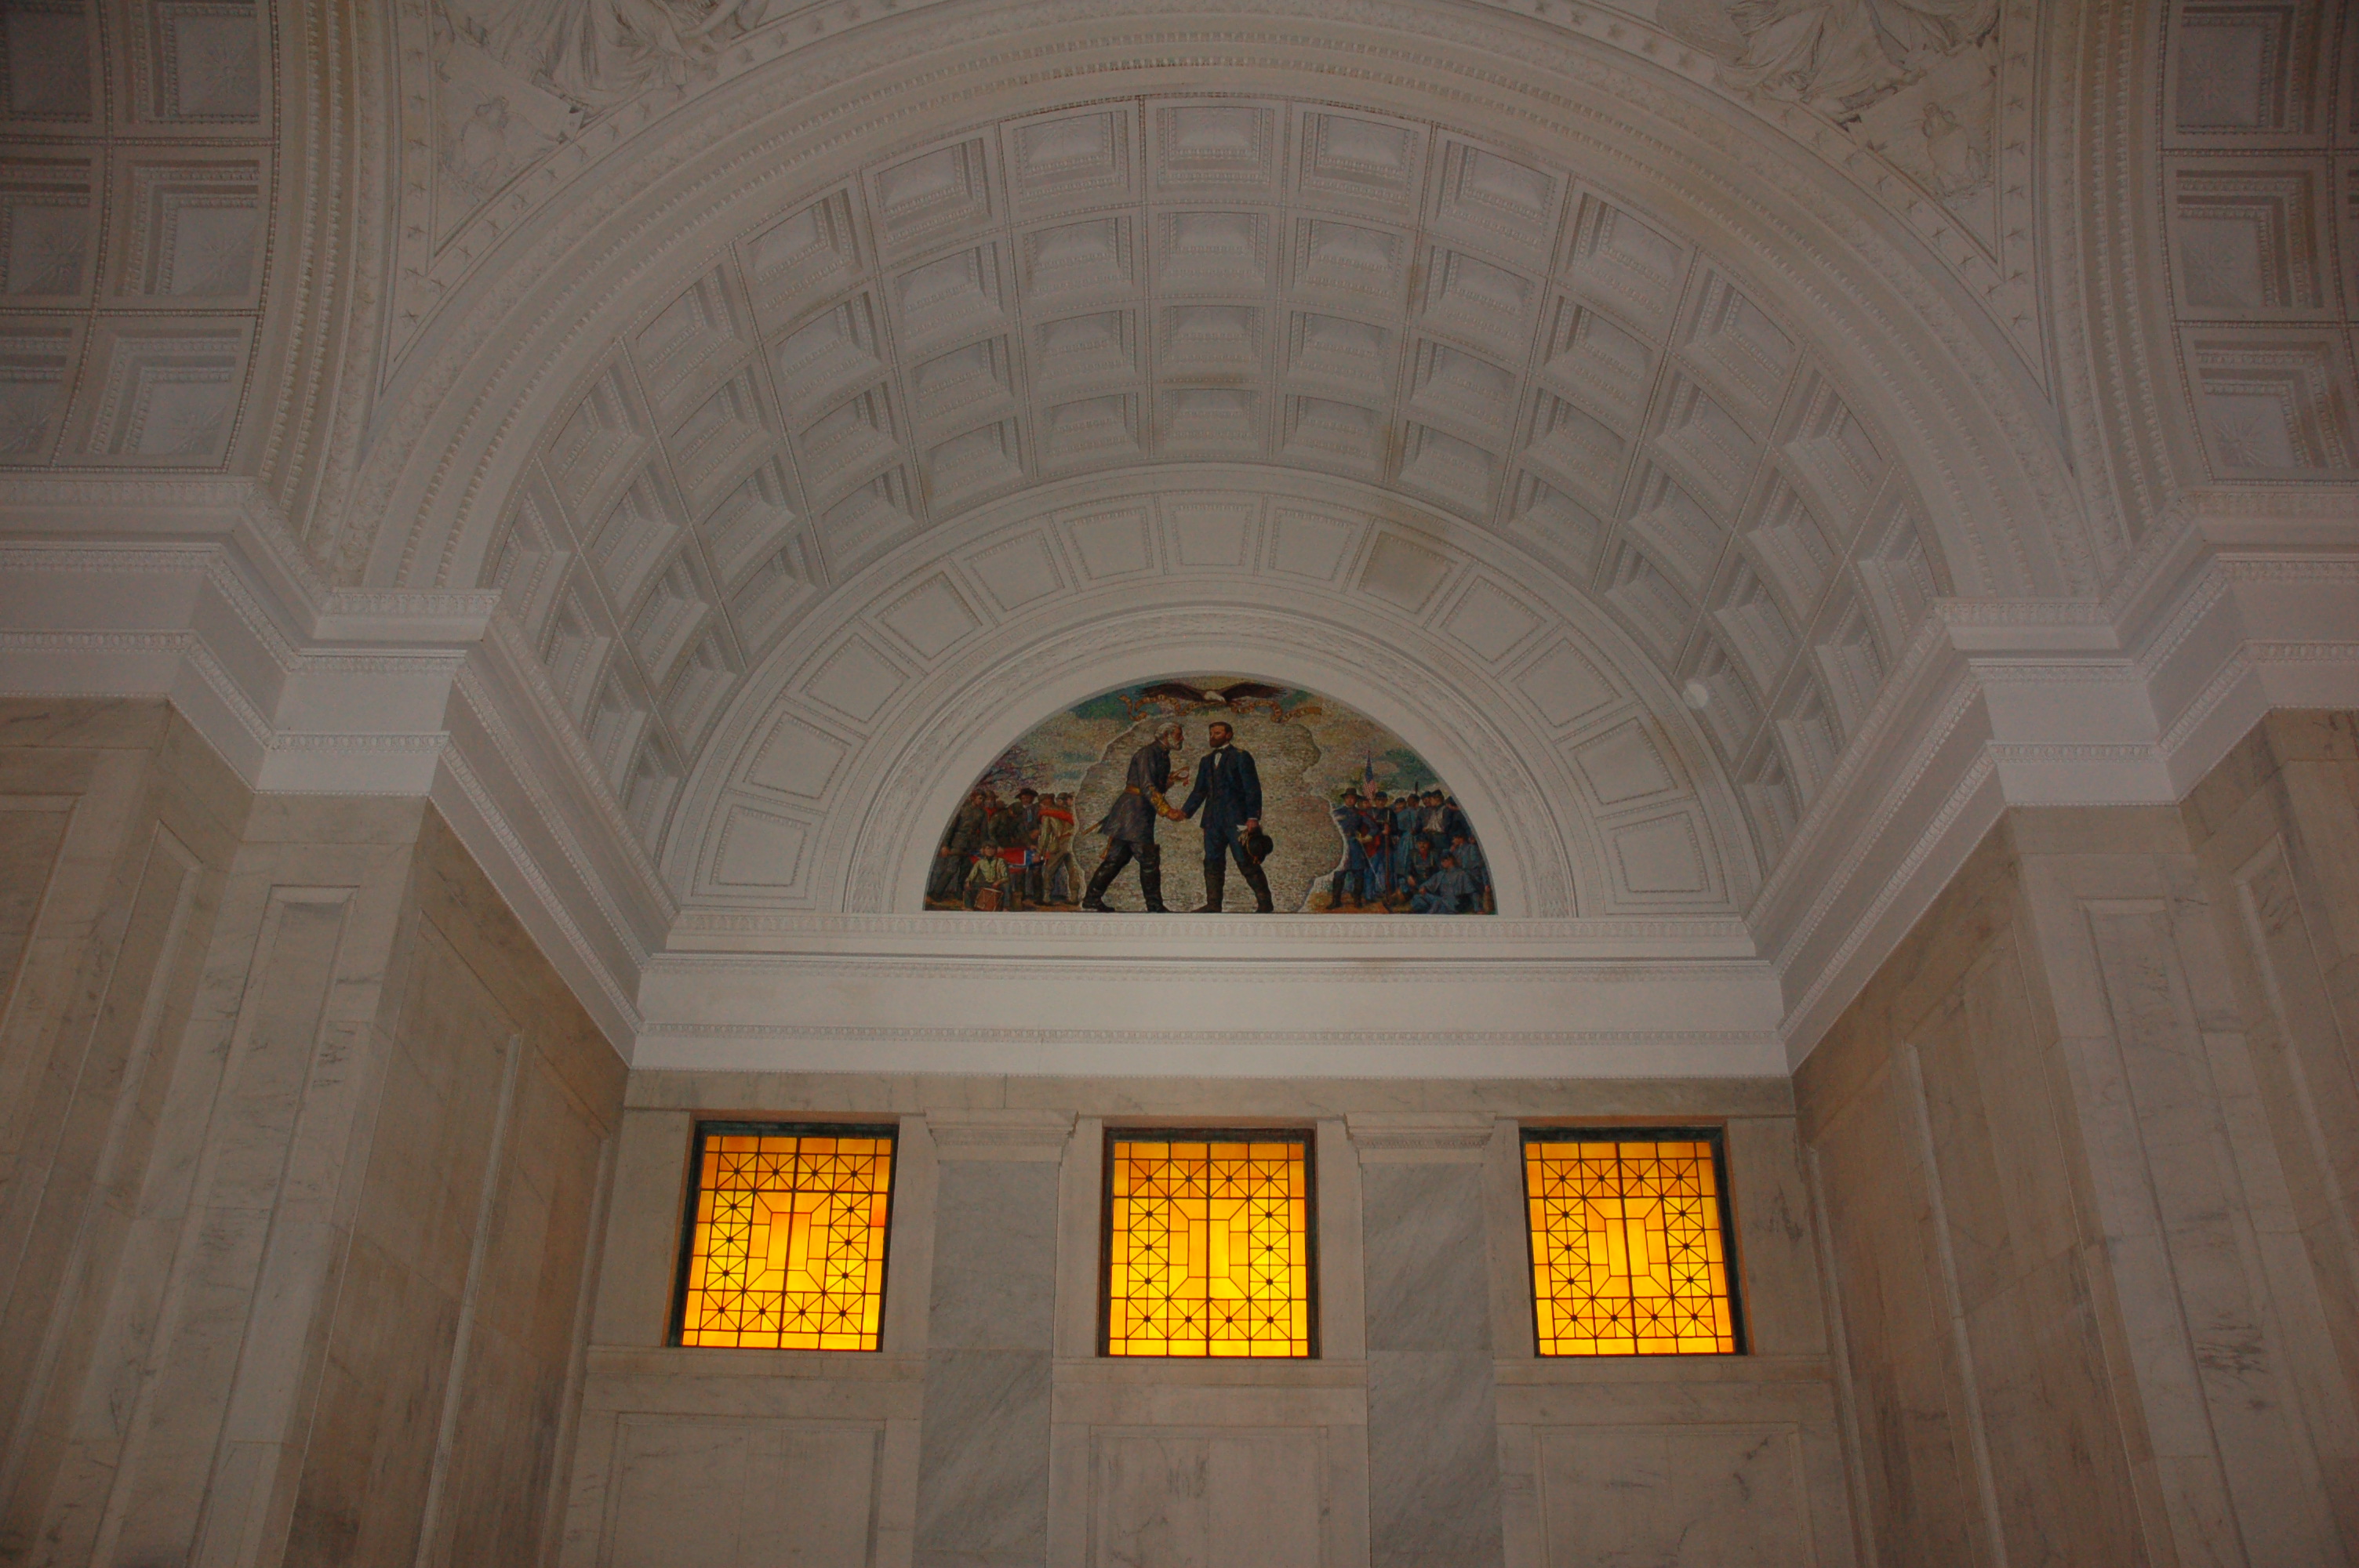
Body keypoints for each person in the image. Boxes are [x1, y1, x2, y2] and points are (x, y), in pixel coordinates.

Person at [1083, 724, 1187, 912]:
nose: (1182, 739)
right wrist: (1167, 810)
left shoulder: (1162, 755)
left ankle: (1091, 900)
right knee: (1148, 860)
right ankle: (1155, 907)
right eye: (1179, 735)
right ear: (1166, 735)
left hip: (1137, 812)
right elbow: (1147, 787)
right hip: (1134, 813)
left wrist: (1169, 782)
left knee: (1116, 859)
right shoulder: (1148, 753)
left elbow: (1153, 786)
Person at [1177, 720, 1274, 913]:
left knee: (1246, 861)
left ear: (1229, 735)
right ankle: (1213, 905)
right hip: (1212, 822)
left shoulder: (1241, 756)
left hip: (1237, 821)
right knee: (1212, 863)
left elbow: (1252, 788)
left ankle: (1265, 904)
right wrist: (1185, 812)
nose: (1213, 737)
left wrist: (1253, 817)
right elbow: (1199, 791)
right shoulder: (1206, 761)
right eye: (1211, 733)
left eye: (1218, 733)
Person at [1036, 792, 1077, 906]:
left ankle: (1047, 897)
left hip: (1059, 844)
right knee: (1073, 871)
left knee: (1049, 871)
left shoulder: (1047, 814)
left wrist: (1039, 853)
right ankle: (1074, 897)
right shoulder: (1071, 811)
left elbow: (1045, 836)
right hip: (1073, 843)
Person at [1409, 853, 1479, 913]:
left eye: (1443, 861)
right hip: (1441, 900)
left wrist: (1478, 909)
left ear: (1450, 860)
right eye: (1441, 861)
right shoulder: (1441, 874)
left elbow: (1472, 892)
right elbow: (1428, 883)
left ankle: (1428, 916)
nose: (1442, 864)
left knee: (1437, 903)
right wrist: (1423, 887)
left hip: (1454, 904)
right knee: (1418, 897)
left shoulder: (1462, 874)